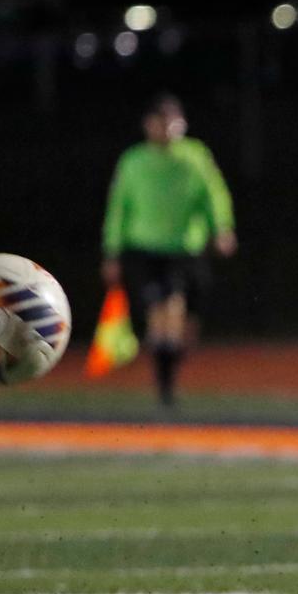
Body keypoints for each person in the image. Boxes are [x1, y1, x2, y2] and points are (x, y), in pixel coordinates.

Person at [101, 94, 237, 407]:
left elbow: (213, 194)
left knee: (186, 324)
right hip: (147, 251)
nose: (165, 129)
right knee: (164, 314)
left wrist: (222, 228)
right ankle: (166, 388)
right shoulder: (133, 161)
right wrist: (112, 252)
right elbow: (118, 208)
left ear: (182, 124)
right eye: (158, 122)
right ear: (147, 125)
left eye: (171, 122)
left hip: (186, 249)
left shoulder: (195, 156)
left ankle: (168, 367)